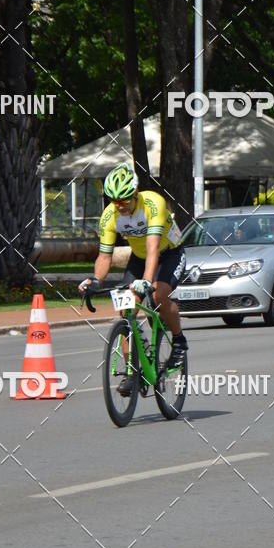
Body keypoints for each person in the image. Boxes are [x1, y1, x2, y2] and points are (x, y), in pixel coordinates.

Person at [79, 163, 188, 391]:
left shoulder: (153, 203)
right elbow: (104, 256)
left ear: (135, 193)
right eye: (114, 201)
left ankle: (178, 340)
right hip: (139, 258)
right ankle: (132, 370)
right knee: (126, 309)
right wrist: (95, 280)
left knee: (158, 295)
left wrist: (146, 281)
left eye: (124, 200)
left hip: (169, 253)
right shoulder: (109, 216)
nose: (120, 206)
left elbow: (153, 248)